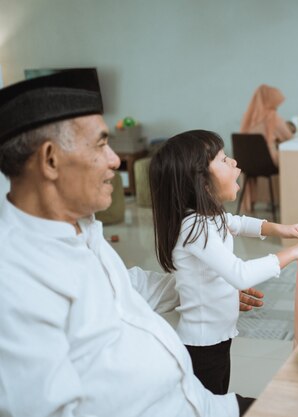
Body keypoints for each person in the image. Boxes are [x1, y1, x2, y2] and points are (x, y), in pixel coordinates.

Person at [0, 69, 246, 417]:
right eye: (101, 144)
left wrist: (204, 288)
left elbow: (128, 289)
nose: (115, 160)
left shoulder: (79, 227)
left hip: (200, 403)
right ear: (50, 159)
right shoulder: (14, 278)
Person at [148, 129, 298, 394]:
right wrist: (295, 251)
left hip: (218, 338)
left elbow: (239, 223)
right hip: (202, 345)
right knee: (209, 404)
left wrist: (282, 229)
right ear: (201, 181)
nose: (233, 163)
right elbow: (240, 275)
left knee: (217, 395)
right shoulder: (195, 227)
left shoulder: (210, 217)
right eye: (222, 159)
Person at [239, 84, 295, 212]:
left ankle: (266, 202)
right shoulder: (272, 117)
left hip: (246, 162)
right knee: (289, 160)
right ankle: (289, 201)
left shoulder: (248, 117)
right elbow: (288, 136)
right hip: (267, 162)